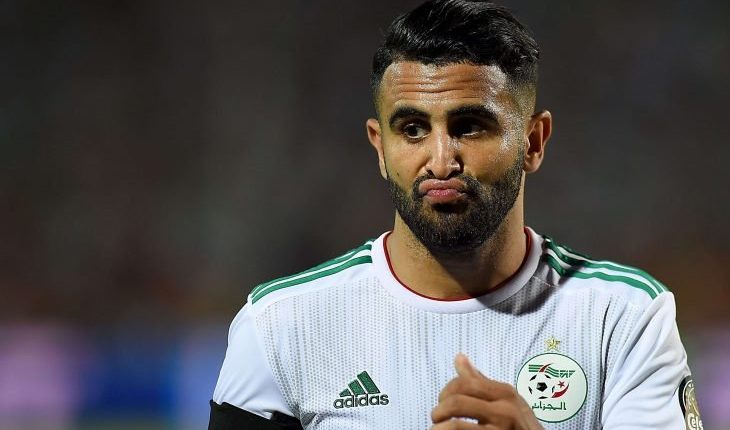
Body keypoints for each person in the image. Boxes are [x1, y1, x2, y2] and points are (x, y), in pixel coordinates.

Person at [209, 1, 703, 429]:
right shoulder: (279, 329)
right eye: (413, 129)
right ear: (380, 147)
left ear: (533, 142)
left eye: (469, 126)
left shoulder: (625, 320)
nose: (441, 161)